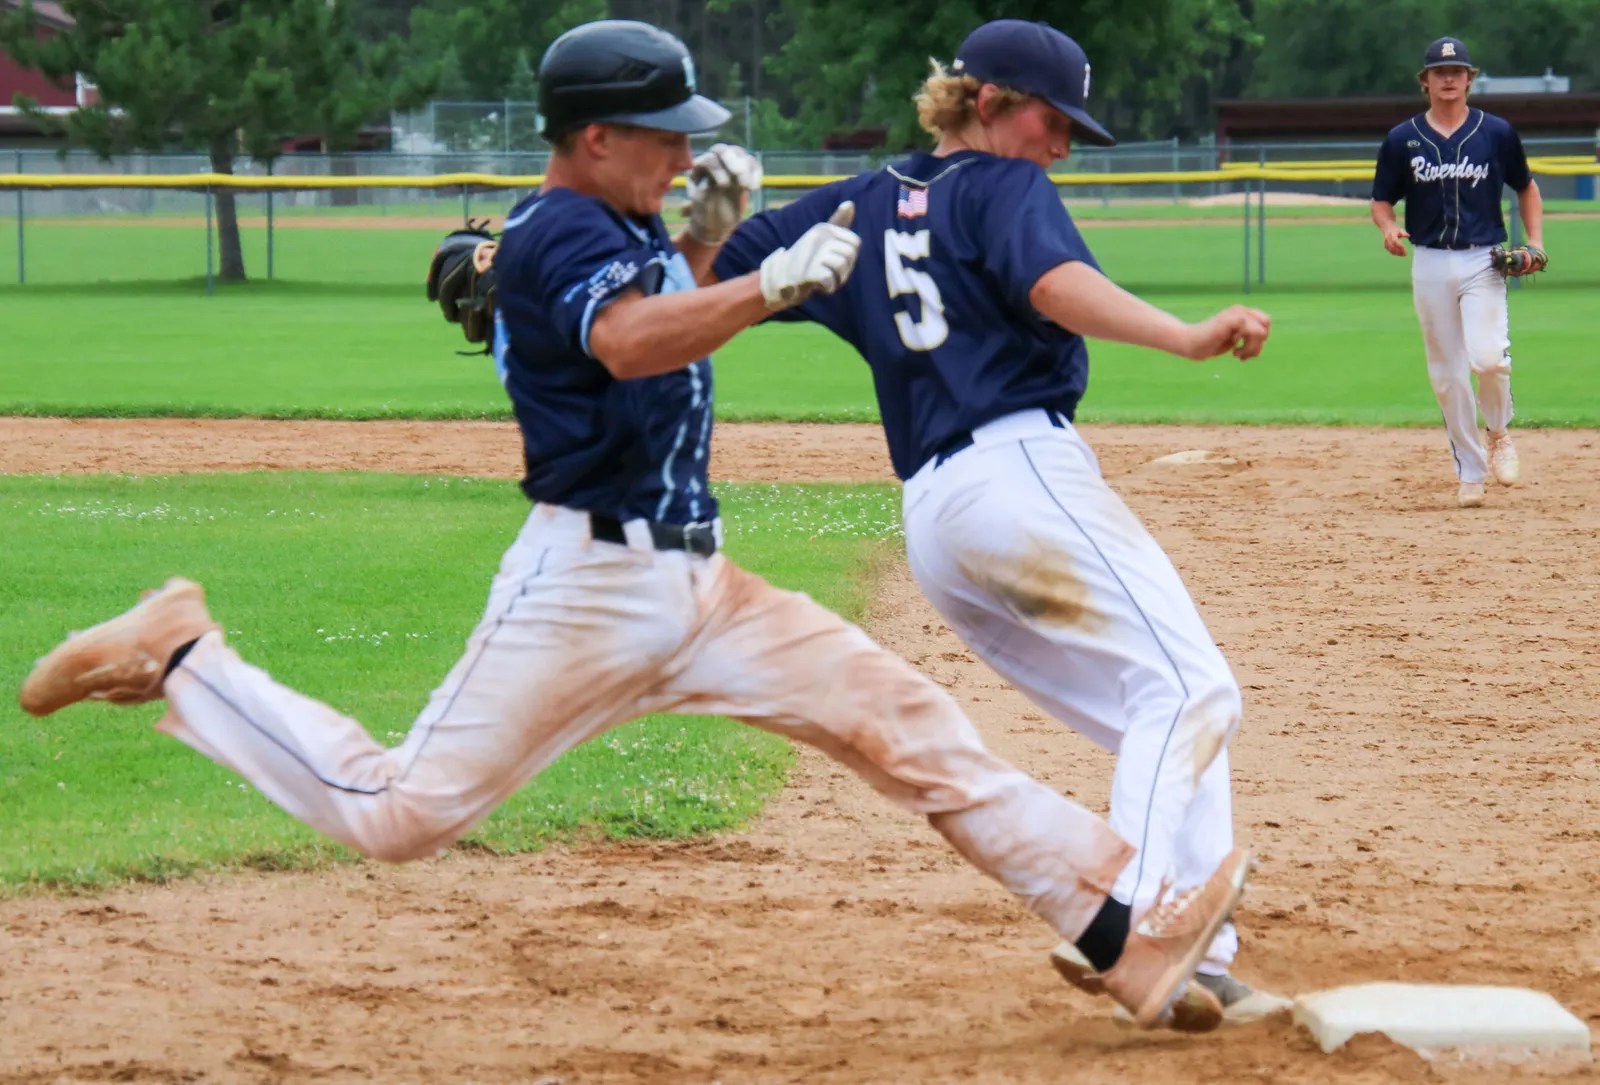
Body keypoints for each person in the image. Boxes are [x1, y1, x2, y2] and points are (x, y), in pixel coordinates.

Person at [17, 19, 1250, 1034]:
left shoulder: (618, 228)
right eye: (664, 141)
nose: (681, 156)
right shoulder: (559, 230)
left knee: (915, 731)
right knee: (402, 814)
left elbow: (663, 293)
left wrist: (706, 238)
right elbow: (626, 341)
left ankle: (1122, 933)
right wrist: (761, 281)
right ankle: (185, 655)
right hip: (586, 587)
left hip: (704, 589)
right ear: (594, 138)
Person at [711, 19, 1283, 1026]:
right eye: (1049, 121)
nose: (1058, 147)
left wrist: (688, 229)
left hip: (937, 519)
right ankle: (1131, 917)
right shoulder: (1001, 187)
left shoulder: (862, 200)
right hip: (1018, 470)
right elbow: (1052, 285)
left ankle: (1201, 960)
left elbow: (723, 268)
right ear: (986, 104)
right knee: (1194, 687)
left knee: (1168, 710)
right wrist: (1183, 335)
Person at [1371, 36, 1545, 509]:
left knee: (1488, 359)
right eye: (1439, 72)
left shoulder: (1497, 133)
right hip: (1429, 260)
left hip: (1482, 258)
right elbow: (1382, 200)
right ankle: (1470, 470)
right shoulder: (1402, 139)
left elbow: (1527, 188)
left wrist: (1534, 242)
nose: (1448, 79)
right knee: (1447, 376)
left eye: (1457, 71)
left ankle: (1500, 434)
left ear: (1470, 78)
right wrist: (1388, 228)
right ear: (1425, 82)